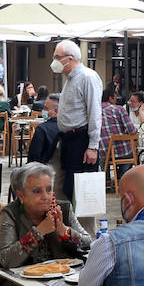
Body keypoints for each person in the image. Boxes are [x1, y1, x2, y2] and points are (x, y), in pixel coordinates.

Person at [52, 40, 102, 202]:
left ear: (70, 58)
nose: (55, 62)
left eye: (57, 57)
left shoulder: (87, 77)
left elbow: (95, 112)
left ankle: (83, 227)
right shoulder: (70, 79)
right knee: (68, 187)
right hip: (68, 140)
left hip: (81, 139)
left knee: (81, 192)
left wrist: (93, 146)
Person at [100, 85, 134, 154]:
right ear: (110, 98)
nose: (116, 101)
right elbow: (131, 130)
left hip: (101, 153)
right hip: (121, 152)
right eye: (115, 98)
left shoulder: (94, 111)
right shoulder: (119, 109)